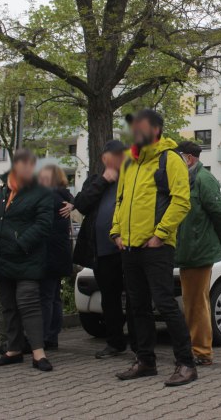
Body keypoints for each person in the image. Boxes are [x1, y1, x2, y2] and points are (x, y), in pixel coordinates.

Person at [110, 109, 197, 386]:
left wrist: (160, 234)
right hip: (130, 247)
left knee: (165, 304)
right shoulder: (129, 162)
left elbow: (181, 201)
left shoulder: (170, 159)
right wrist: (116, 232)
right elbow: (120, 201)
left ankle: (186, 363)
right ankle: (145, 361)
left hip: (156, 246)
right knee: (137, 307)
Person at [0, 149, 54, 371]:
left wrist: (21, 243)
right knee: (8, 305)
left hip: (26, 257)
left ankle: (39, 354)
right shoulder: (1, 187)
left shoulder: (41, 191)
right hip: (0, 256)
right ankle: (13, 350)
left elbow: (44, 224)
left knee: (28, 303)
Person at [70, 139, 136, 358]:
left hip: (128, 249)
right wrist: (104, 180)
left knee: (135, 297)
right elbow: (81, 205)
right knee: (110, 298)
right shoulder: (95, 181)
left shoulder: (133, 178)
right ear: (104, 159)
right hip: (103, 252)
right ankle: (115, 342)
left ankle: (139, 345)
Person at [175, 141, 221, 366]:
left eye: (178, 157)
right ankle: (197, 349)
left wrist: (220, 239)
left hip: (199, 250)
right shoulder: (188, 179)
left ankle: (201, 352)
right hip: (190, 250)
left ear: (189, 158)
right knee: (193, 301)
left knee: (196, 303)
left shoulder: (203, 179)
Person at [37, 165, 74, 351]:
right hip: (60, 253)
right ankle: (52, 336)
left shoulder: (49, 196)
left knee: (46, 296)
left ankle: (44, 337)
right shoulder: (64, 196)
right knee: (54, 296)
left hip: (49, 253)